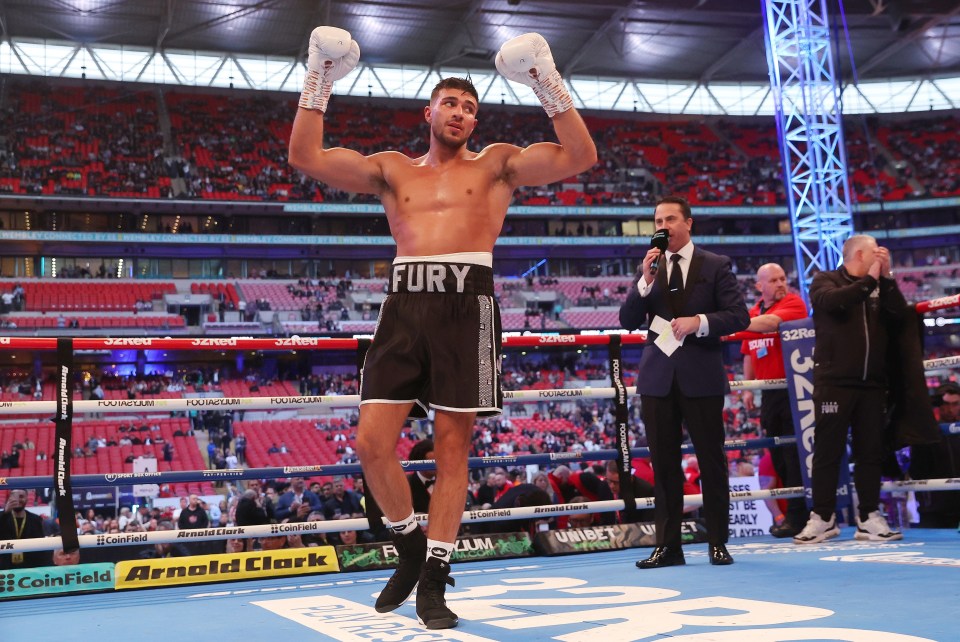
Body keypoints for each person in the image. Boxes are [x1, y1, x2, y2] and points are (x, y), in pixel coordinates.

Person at [288, 26, 595, 630]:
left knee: (454, 451)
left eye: (470, 107)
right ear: (428, 112)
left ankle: (434, 576)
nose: (460, 113)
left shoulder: (499, 165)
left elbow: (581, 156)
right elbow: (305, 157)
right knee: (372, 443)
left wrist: (544, 78)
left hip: (468, 307)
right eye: (450, 103)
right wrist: (318, 75)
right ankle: (407, 548)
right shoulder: (392, 169)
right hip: (405, 305)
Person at [619, 195, 749, 568]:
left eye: (670, 218)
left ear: (688, 223)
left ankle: (718, 542)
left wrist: (700, 323)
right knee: (664, 465)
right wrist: (644, 281)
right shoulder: (651, 268)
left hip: (701, 375)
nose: (663, 225)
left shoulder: (715, 264)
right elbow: (627, 320)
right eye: (658, 220)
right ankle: (668, 546)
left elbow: (738, 316)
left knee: (711, 461)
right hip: (658, 378)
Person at [794, 234, 908, 544]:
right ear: (860, 254)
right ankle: (822, 517)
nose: (880, 259)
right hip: (834, 382)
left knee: (870, 452)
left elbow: (900, 315)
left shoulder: (880, 285)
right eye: (876, 255)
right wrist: (870, 281)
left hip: (872, 384)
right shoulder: (825, 280)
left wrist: (888, 279)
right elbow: (833, 302)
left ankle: (869, 516)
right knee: (828, 452)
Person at [739, 262, 809, 537]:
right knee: (778, 455)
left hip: (794, 389)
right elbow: (749, 351)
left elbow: (770, 323)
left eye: (783, 279)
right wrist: (747, 388)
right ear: (760, 286)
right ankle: (793, 515)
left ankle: (797, 517)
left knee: (793, 456)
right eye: (774, 280)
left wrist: (729, 321)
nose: (781, 284)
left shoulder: (794, 304)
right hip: (769, 393)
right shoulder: (754, 311)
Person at [911, 382, 960, 528]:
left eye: (955, 404)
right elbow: (917, 470)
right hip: (934, 509)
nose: (950, 409)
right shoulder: (926, 432)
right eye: (945, 404)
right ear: (939, 405)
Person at [0, 489, 48, 570]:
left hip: (29, 567)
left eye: (21, 497)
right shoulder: (2, 517)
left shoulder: (36, 519)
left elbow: (40, 546)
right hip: (5, 568)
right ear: (9, 499)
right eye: (14, 497)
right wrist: (5, 513)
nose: (18, 500)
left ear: (27, 499)